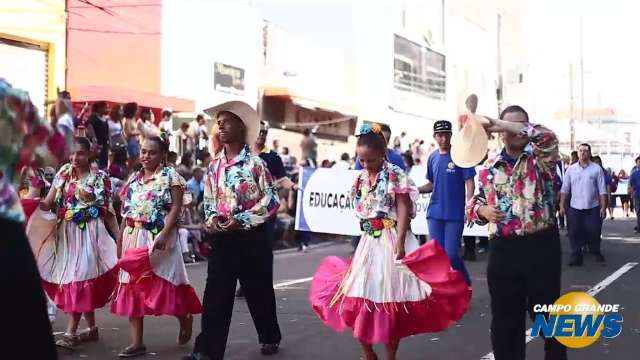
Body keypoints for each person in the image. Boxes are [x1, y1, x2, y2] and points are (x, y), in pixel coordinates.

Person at [310, 123, 469, 360]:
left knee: (390, 299)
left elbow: (403, 207)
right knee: (358, 295)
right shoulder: (361, 178)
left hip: (391, 239)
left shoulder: (395, 173)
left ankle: (390, 356)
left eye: (370, 160)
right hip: (368, 242)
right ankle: (367, 352)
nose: (365, 165)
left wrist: (401, 241)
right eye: (361, 160)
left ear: (382, 154)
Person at [467, 105, 567, 360]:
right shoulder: (489, 165)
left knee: (547, 315)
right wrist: (482, 210)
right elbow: (474, 202)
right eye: (509, 127)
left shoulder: (542, 157)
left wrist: (502, 123)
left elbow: (547, 136)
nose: (516, 131)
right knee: (505, 320)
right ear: (500, 134)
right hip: (503, 249)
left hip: (541, 246)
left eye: (522, 125)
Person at [186, 101, 282, 360]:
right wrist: (212, 221)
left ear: (241, 126)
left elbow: (271, 201)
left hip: (252, 238)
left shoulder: (256, 165)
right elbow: (208, 201)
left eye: (226, 121)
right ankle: (207, 350)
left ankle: (270, 336)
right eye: (219, 122)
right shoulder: (214, 166)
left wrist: (243, 219)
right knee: (216, 293)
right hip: (223, 239)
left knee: (258, 290)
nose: (220, 126)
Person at [112, 135, 202, 357]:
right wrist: (121, 237)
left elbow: (175, 208)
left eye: (151, 152)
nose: (145, 156)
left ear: (163, 154)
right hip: (134, 235)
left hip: (158, 239)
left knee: (164, 284)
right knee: (132, 286)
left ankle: (184, 317)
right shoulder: (134, 179)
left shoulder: (172, 177)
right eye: (143, 151)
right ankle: (137, 342)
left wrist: (163, 233)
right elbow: (126, 212)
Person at [0, 78, 67, 360]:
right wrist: (65, 116)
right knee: (21, 334)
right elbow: (55, 150)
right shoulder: (8, 97)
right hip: (4, 230)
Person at [35, 137, 120, 349]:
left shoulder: (99, 178)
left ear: (89, 154)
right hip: (67, 234)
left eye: (80, 153)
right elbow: (48, 202)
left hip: (91, 234)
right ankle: (91, 329)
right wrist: (33, 200)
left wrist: (119, 240)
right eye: (71, 153)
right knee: (77, 276)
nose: (74, 157)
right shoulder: (63, 173)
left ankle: (71, 332)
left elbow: (108, 212)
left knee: (81, 276)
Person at [417, 120, 475, 285]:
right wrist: (414, 189)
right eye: (439, 135)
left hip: (454, 213)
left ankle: (465, 283)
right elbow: (431, 184)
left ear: (451, 135)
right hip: (434, 213)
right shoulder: (433, 157)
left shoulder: (460, 155)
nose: (443, 138)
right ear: (434, 136)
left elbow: (470, 182)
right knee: (438, 255)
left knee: (451, 254)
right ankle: (445, 289)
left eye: (446, 135)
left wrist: (469, 205)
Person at [560, 143, 607, 266]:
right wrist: (561, 205)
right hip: (575, 207)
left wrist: (603, 207)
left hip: (592, 206)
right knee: (574, 231)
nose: (582, 153)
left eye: (585, 151)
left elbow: (602, 190)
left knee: (594, 230)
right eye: (580, 151)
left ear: (590, 153)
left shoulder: (596, 169)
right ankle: (576, 255)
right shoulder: (570, 170)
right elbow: (565, 189)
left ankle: (595, 250)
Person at [88, 101, 110, 169]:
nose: (107, 109)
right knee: (97, 163)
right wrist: (94, 139)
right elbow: (89, 127)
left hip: (104, 144)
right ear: (100, 108)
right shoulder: (93, 116)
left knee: (104, 162)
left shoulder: (104, 118)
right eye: (105, 107)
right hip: (97, 145)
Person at [123, 102, 141, 172]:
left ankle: (131, 173)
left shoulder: (133, 119)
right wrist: (138, 132)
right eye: (137, 109)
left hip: (135, 141)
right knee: (132, 159)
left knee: (136, 159)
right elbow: (128, 132)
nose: (138, 111)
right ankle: (127, 173)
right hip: (130, 142)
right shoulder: (126, 120)